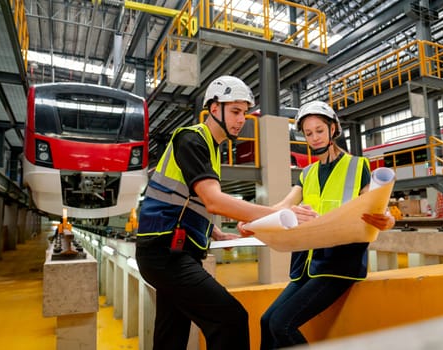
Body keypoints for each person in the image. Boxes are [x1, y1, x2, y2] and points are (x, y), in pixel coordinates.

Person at [135, 75, 280, 350]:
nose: (241, 119)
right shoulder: (191, 139)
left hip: (175, 252)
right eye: (235, 111)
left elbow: (188, 202)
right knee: (231, 319)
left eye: (244, 113)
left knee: (171, 333)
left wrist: (212, 231)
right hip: (165, 254)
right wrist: (272, 214)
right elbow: (213, 201)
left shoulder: (212, 149)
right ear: (214, 109)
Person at [246, 101, 395, 349]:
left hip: (339, 265)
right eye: (308, 133)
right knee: (266, 320)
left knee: (281, 324)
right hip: (307, 265)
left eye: (319, 130)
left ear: (333, 128)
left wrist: (387, 220)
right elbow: (283, 205)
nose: (314, 138)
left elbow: (378, 208)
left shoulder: (358, 166)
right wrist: (252, 220)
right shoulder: (307, 173)